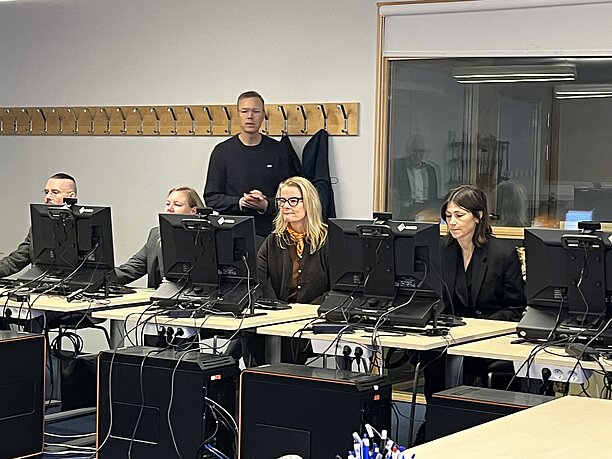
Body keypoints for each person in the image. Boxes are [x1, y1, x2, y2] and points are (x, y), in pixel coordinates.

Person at [204, 91, 301, 239]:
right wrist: (240, 202)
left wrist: (266, 204)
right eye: (245, 111)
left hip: (273, 234)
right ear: (238, 114)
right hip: (231, 234)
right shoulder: (222, 152)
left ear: (263, 115)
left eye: (255, 111)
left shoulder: (279, 151)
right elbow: (211, 197)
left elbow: (296, 198)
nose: (250, 116)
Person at [440, 184, 526, 322]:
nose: (452, 222)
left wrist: (481, 326)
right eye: (448, 216)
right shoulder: (440, 250)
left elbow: (515, 308)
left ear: (478, 216)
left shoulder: (502, 254)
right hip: (448, 329)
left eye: (459, 215)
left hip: (488, 330)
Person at [109, 187, 204, 288]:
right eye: (168, 204)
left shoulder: (204, 238)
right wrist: (100, 278)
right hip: (159, 298)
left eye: (177, 205)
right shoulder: (156, 235)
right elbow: (132, 268)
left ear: (193, 211)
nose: (169, 208)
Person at [257, 176, 329, 304]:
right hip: (282, 314)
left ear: (309, 203)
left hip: (317, 314)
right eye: (282, 201)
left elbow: (339, 290)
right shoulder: (274, 240)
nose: (286, 206)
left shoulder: (327, 240)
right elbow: (257, 281)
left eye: (293, 200)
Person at [0, 172, 77, 278]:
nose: (48, 197)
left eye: (54, 192)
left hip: (77, 286)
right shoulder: (40, 225)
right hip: (41, 284)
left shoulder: (85, 226)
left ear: (71, 197)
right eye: (46, 192)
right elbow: (17, 259)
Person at [392, 134, 439, 220]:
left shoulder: (430, 170)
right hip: (404, 211)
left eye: (421, 151)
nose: (418, 155)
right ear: (408, 150)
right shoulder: (398, 166)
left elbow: (433, 196)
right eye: (415, 151)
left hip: (426, 210)